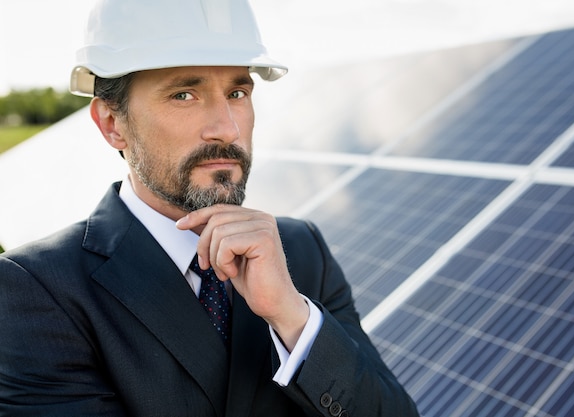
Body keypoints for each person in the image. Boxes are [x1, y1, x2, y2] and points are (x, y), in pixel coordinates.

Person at [0, 0, 419, 416]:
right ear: (113, 123)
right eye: (184, 94)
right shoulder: (35, 289)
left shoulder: (302, 250)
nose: (227, 128)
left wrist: (292, 318)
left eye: (238, 92)